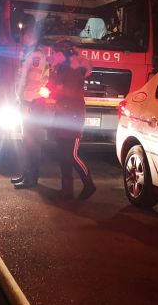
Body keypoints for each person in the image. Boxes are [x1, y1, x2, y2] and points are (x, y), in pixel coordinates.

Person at [47, 39, 96, 200]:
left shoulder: (72, 69)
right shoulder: (61, 68)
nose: (53, 55)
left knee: (71, 155)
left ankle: (89, 185)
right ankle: (66, 190)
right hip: (63, 115)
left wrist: (53, 91)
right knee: (63, 155)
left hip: (72, 117)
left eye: (55, 52)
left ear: (63, 53)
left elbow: (65, 91)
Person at [12, 15, 50, 189]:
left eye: (24, 34)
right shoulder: (30, 53)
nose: (22, 38)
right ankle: (26, 174)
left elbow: (33, 82)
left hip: (32, 103)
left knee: (32, 142)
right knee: (26, 141)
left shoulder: (36, 56)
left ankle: (31, 178)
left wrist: (23, 100)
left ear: (30, 36)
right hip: (28, 102)